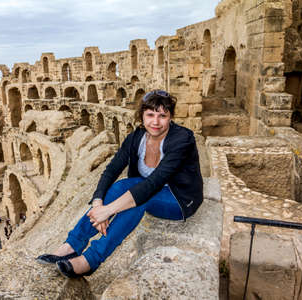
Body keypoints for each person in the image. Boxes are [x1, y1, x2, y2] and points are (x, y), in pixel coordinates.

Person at [36, 90, 203, 278]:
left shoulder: (183, 138)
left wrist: (108, 211)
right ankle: (72, 245)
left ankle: (90, 260)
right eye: (150, 115)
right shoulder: (136, 138)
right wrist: (98, 203)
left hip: (179, 199)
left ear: (170, 117)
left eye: (162, 115)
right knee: (119, 187)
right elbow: (111, 170)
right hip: (148, 190)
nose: (155, 122)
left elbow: (154, 183)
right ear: (142, 115)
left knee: (139, 199)